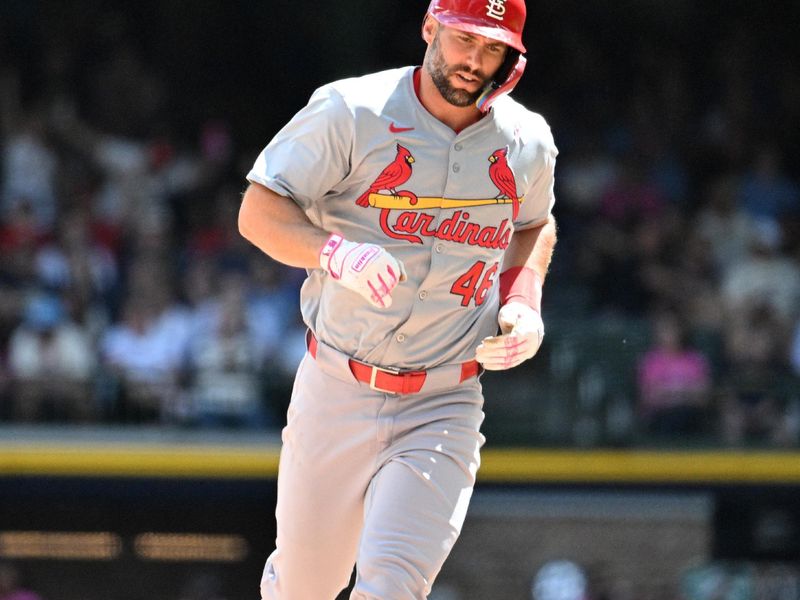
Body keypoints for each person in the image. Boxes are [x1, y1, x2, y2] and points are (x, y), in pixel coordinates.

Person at [238, 1, 558, 598]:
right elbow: (258, 212)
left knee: (391, 586)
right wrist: (334, 252)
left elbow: (534, 225)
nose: (474, 61)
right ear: (429, 28)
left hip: (443, 399)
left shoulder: (526, 140)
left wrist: (525, 299)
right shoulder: (351, 110)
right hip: (337, 387)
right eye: (464, 40)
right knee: (302, 587)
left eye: (493, 48)